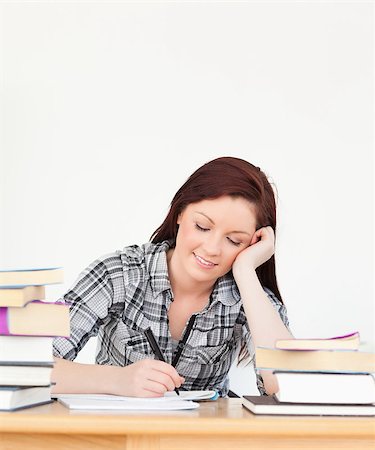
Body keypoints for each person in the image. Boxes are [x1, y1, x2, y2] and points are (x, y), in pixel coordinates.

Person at [52, 156, 293, 397]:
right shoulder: (119, 274)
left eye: (234, 240)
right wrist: (118, 380)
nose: (212, 248)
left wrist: (246, 272)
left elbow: (288, 388)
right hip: (119, 432)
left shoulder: (249, 298)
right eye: (202, 226)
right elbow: (29, 369)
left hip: (202, 434)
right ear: (179, 213)